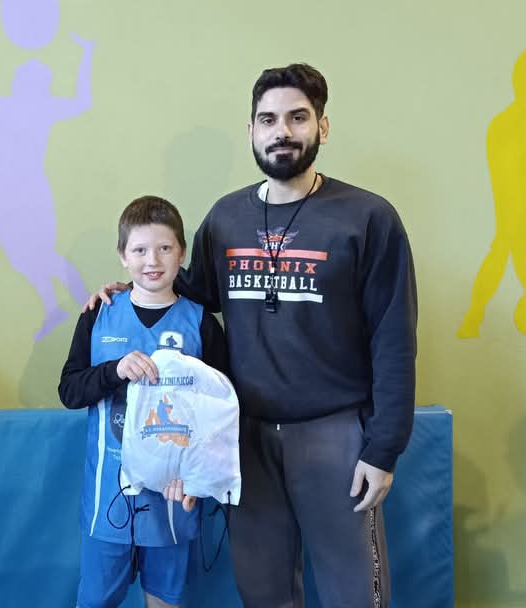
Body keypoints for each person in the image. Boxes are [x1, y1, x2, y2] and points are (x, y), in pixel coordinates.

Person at [89, 64, 418, 607]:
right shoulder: (225, 218)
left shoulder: (368, 218)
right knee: (263, 592)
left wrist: (385, 446)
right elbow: (189, 293)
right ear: (251, 131)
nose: (281, 131)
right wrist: (128, 290)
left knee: (354, 593)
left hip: (334, 433)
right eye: (268, 120)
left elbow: (394, 339)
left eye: (297, 118)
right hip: (242, 437)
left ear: (322, 127)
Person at [59, 195, 229, 608]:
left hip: (173, 498)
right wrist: (114, 371)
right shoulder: (98, 314)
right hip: (108, 495)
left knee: (164, 600)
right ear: (122, 256)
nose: (152, 260)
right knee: (95, 600)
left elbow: (221, 414)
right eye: (139, 250)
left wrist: (199, 478)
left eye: (164, 248)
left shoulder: (202, 324)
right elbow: (70, 391)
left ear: (182, 254)